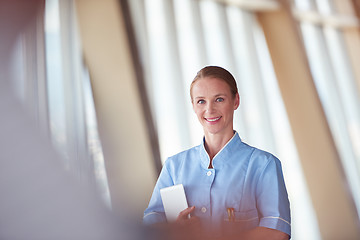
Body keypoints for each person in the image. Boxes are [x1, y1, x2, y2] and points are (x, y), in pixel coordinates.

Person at [143, 66, 291, 240]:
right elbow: (149, 225)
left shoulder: (264, 165)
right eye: (201, 101)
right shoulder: (173, 167)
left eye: (219, 99)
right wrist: (173, 230)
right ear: (193, 106)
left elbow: (277, 232)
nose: (210, 110)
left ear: (236, 101)